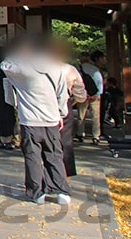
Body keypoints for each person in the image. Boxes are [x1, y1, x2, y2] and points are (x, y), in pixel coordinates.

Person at [1, 33, 72, 205]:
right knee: (54, 154)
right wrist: (61, 113)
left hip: (30, 120)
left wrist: (18, 53)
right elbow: (62, 94)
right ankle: (61, 190)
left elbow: (4, 64)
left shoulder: (23, 69)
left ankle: (36, 192)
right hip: (52, 118)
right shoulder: (56, 68)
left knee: (32, 156)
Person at [54, 42, 88, 177]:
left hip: (43, 106)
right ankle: (65, 176)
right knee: (65, 141)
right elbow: (81, 95)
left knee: (45, 142)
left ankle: (47, 175)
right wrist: (74, 101)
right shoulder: (70, 70)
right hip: (65, 104)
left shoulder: (42, 69)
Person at [77, 51, 106, 143]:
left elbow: (76, 82)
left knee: (81, 116)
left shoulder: (78, 69)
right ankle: (96, 136)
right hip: (94, 95)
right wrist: (98, 94)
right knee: (95, 116)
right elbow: (99, 81)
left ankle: (80, 134)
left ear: (81, 59)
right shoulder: (94, 68)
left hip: (83, 95)